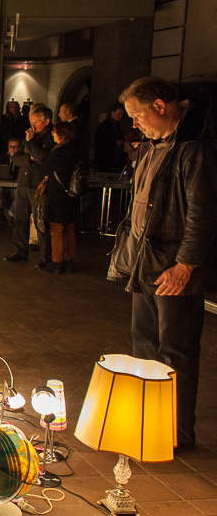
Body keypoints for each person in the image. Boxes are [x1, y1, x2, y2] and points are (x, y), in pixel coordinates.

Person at [108, 76, 217, 454]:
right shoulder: (155, 145)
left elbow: (202, 213)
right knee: (144, 344)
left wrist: (185, 265)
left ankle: (176, 431)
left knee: (176, 350)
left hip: (173, 267)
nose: (134, 123)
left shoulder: (193, 147)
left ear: (160, 105)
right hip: (146, 260)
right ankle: (148, 416)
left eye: (138, 115)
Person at [4, 104, 54, 265]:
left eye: (36, 122)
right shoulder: (30, 136)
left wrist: (32, 145)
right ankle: (20, 251)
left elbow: (42, 158)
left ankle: (46, 257)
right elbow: (16, 158)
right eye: (31, 122)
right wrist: (29, 159)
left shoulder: (50, 137)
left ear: (46, 121)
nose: (32, 126)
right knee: (20, 218)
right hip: (23, 182)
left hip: (37, 184)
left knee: (40, 220)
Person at [41, 122, 81, 273]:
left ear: (60, 134)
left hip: (58, 194)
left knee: (56, 228)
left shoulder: (58, 152)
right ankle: (69, 260)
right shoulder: (76, 150)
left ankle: (57, 262)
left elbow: (45, 168)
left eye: (55, 132)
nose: (53, 135)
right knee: (70, 227)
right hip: (72, 194)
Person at [93, 102, 129, 173]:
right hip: (106, 158)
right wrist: (115, 142)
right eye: (119, 113)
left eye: (122, 114)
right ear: (112, 113)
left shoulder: (118, 125)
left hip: (116, 158)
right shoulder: (104, 126)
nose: (120, 116)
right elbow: (100, 142)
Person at [0, 138, 22, 221]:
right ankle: (11, 213)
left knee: (17, 199)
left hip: (17, 185)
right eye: (10, 147)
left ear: (20, 148)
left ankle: (12, 217)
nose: (12, 149)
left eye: (15, 147)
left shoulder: (22, 158)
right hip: (4, 183)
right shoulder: (3, 157)